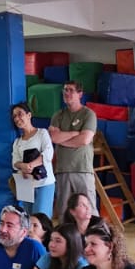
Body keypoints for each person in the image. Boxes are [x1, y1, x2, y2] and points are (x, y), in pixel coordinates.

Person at [48, 80, 98, 217]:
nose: (67, 93)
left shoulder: (88, 114)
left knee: (89, 210)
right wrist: (74, 133)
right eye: (65, 90)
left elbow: (85, 140)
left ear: (80, 94)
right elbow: (54, 138)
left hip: (82, 168)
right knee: (63, 211)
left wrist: (63, 139)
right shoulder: (58, 115)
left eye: (71, 90)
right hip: (62, 169)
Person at [10, 102, 56, 218]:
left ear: (29, 115)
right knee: (27, 219)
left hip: (43, 182)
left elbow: (48, 153)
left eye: (20, 114)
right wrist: (23, 166)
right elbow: (15, 162)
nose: (17, 119)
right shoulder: (17, 142)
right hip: (25, 183)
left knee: (40, 218)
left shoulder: (42, 133)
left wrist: (31, 165)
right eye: (14, 116)